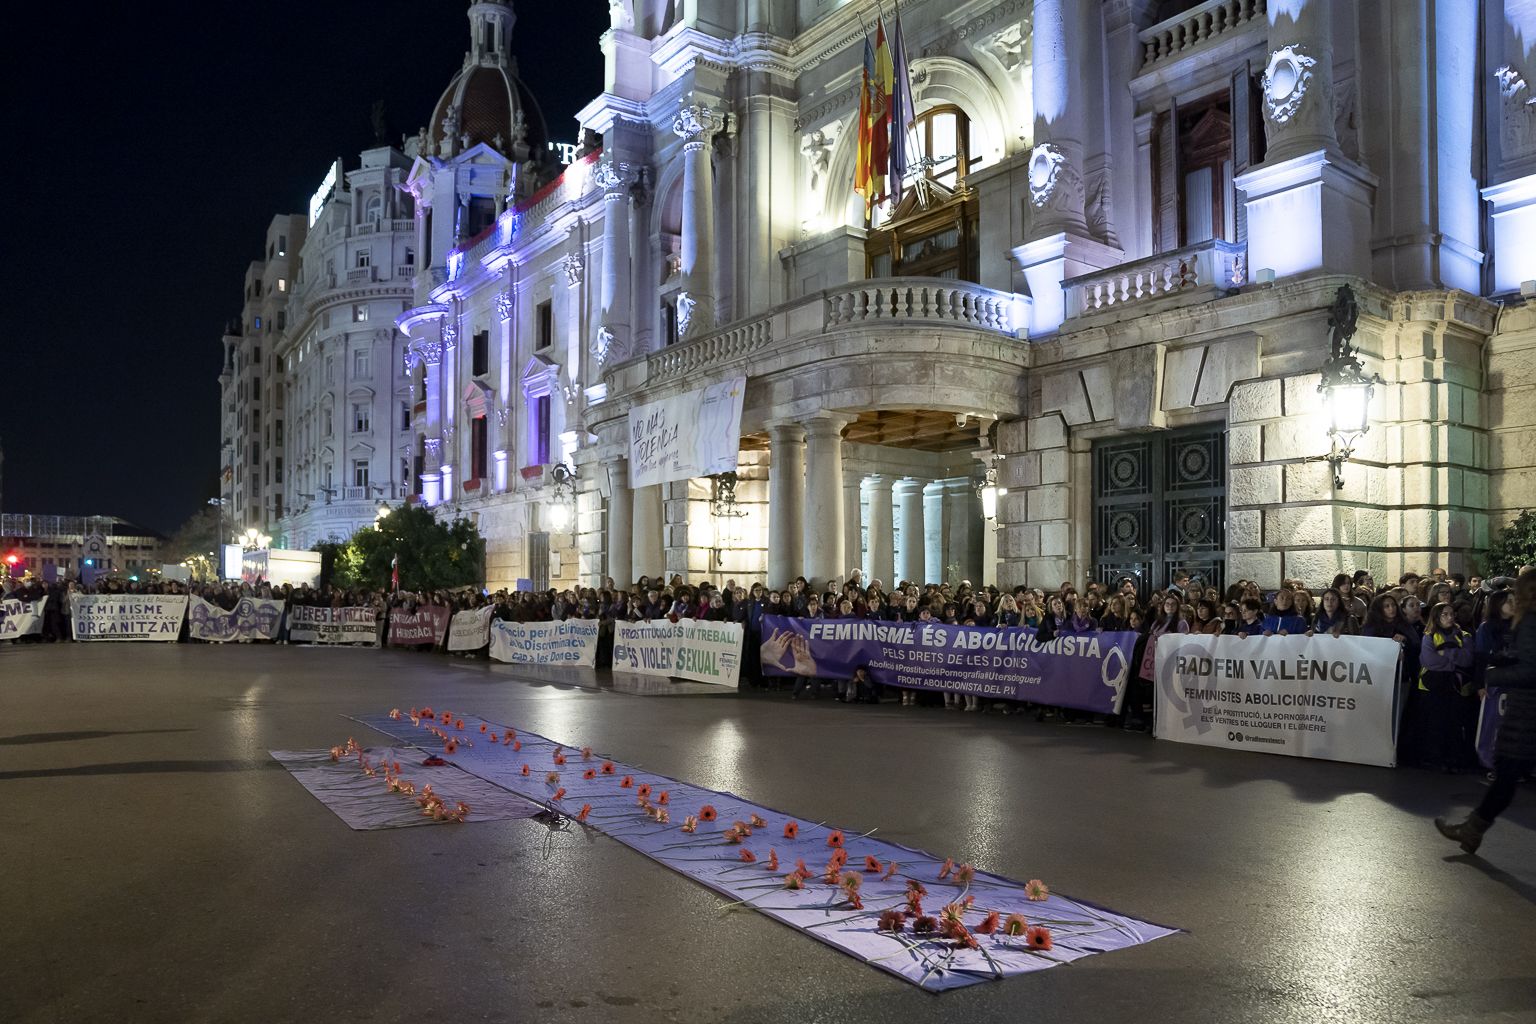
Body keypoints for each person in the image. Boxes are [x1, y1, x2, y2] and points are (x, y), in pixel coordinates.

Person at [1436, 572, 1536, 853]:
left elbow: (1530, 671)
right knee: (1506, 777)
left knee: (1505, 777)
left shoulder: (1530, 622)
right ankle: (1472, 830)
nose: (1513, 599)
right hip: (1526, 713)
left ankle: (1472, 829)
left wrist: (1496, 675)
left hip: (1525, 715)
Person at [1417, 601, 1476, 773]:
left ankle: (1453, 758)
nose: (1450, 617)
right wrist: (1454, 660)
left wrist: (1445, 653)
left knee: (1454, 724)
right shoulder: (1429, 635)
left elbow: (1467, 659)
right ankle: (1435, 759)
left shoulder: (1463, 635)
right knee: (1435, 724)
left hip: (1455, 686)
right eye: (1445, 614)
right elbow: (1430, 661)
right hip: (1432, 686)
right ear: (1436, 617)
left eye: (1451, 614)